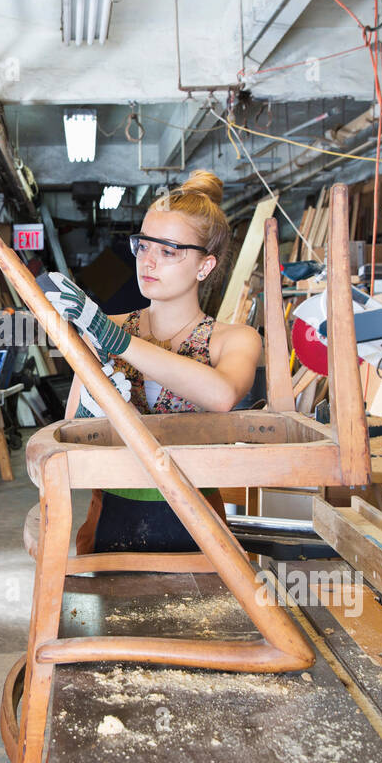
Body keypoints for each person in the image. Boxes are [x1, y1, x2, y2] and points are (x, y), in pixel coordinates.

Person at [43, 170, 262, 554]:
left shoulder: (233, 340)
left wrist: (112, 339)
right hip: (108, 517)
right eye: (143, 246)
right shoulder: (104, 327)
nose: (148, 262)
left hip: (197, 527)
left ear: (205, 266)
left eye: (168, 251)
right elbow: (71, 432)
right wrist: (92, 406)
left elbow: (222, 393)